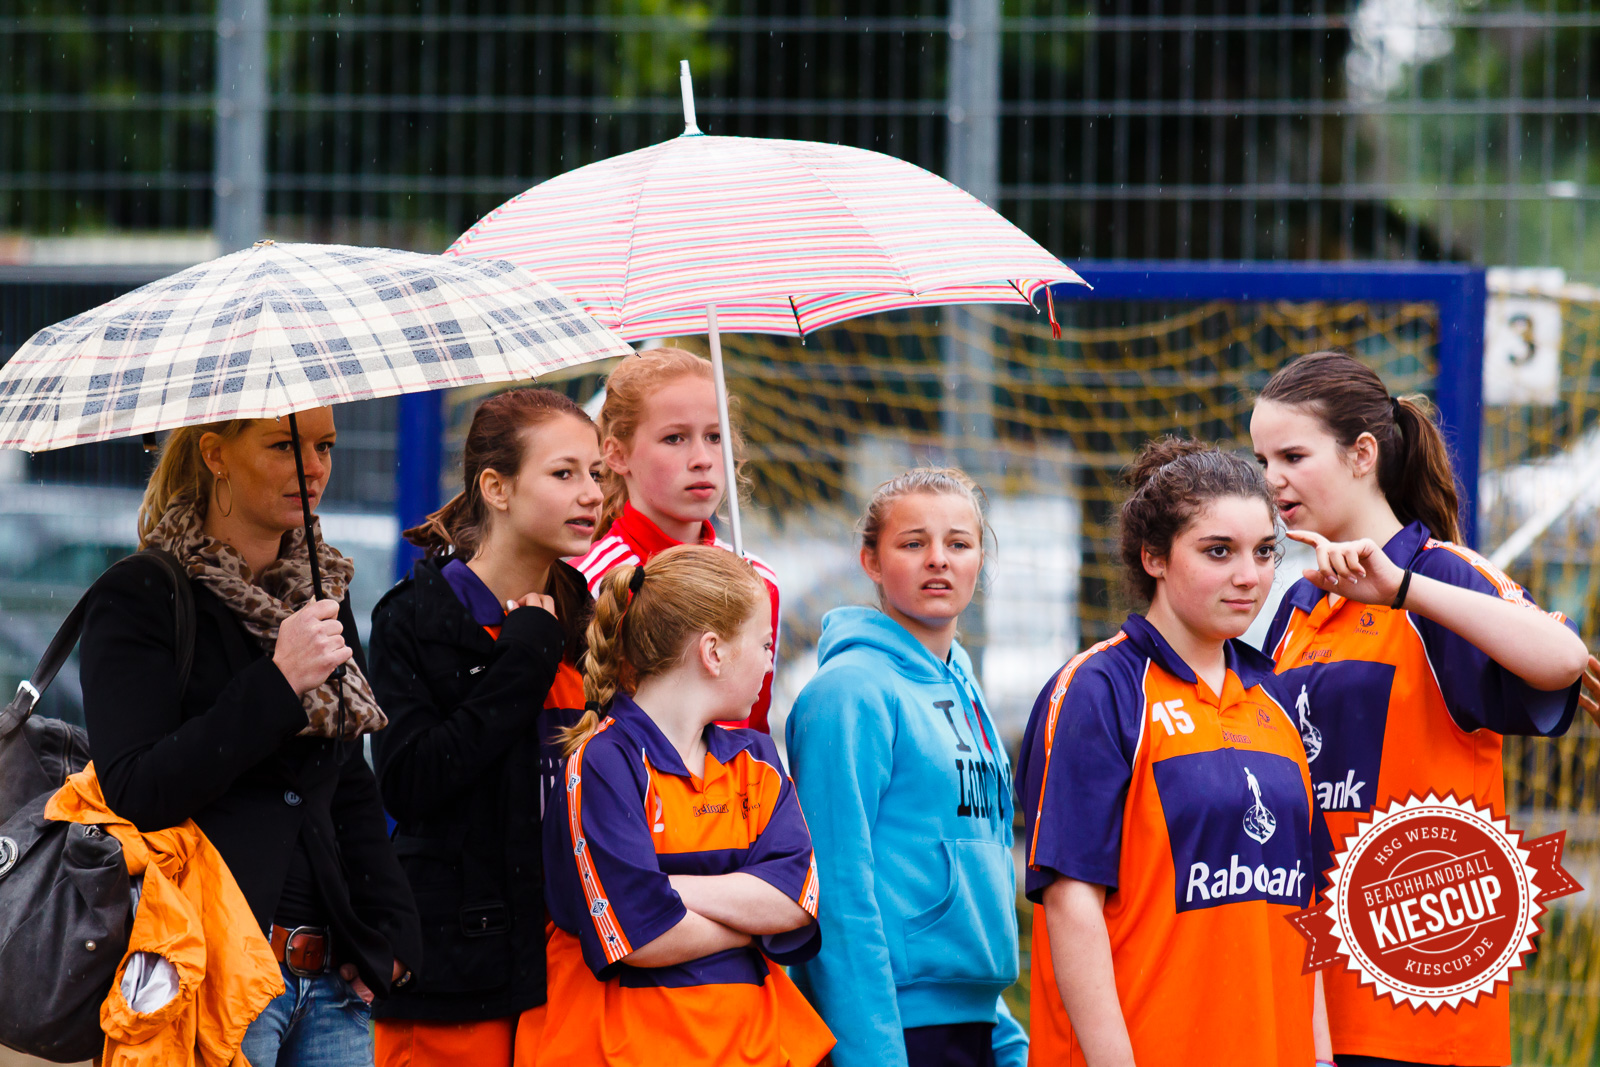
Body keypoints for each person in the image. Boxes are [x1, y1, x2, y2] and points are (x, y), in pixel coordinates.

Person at [1252, 351, 1588, 1067]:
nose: (1272, 479)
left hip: (1422, 1012)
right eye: (1262, 460)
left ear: (1362, 455)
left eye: (1293, 455)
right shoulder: (1297, 606)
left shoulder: (1438, 575)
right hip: (1309, 1006)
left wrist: (1401, 589)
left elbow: (1562, 658)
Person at [82, 410, 421, 1067]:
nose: (314, 467)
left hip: (330, 982)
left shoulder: (320, 593)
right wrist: (278, 680)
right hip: (209, 972)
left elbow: (345, 774)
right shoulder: (143, 592)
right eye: (284, 446)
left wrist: (391, 928)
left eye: (325, 446)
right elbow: (137, 789)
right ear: (215, 455)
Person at [1018, 438, 1330, 1067]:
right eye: (1219, 551)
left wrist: (1321, 1057)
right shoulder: (1098, 690)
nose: (1250, 576)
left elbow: (1306, 912)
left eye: (1264, 551)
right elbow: (1072, 905)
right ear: (1154, 557)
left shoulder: (1276, 704)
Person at [366, 388, 600, 1067]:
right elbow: (411, 781)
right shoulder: (414, 616)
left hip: (572, 967)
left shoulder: (589, 615)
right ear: (497, 488)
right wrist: (524, 656)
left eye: (595, 473)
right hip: (455, 976)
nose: (591, 493)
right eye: (564, 473)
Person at [539, 545, 833, 1066]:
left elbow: (795, 902)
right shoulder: (604, 760)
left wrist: (666, 888)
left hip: (752, 1048)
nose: (771, 660)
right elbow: (640, 937)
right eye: (765, 643)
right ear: (713, 652)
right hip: (630, 1050)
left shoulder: (757, 757)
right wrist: (751, 925)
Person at [786, 468, 1027, 1067]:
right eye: (913, 543)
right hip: (892, 1033)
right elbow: (838, 894)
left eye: (958, 543)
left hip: (974, 1029)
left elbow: (972, 878)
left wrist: (1004, 1037)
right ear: (871, 560)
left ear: (980, 560)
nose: (938, 559)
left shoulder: (962, 685)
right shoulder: (848, 692)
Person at [571, 347, 780, 730]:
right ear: (616, 454)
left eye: (714, 436)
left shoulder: (759, 581)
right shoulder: (584, 580)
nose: (702, 458)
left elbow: (755, 729)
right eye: (675, 438)